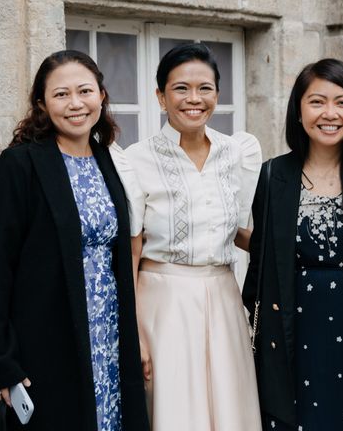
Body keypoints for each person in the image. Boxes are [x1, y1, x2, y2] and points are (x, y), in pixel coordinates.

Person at [0, 50, 149, 430]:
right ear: (41, 103)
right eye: (60, 94)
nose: (75, 104)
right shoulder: (20, 165)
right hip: (49, 338)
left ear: (101, 96)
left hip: (109, 335)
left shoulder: (109, 160)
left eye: (85, 91)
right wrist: (1, 363)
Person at [242, 59, 343, 431]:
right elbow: (262, 263)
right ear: (298, 110)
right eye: (317, 102)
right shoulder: (273, 176)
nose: (329, 113)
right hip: (291, 336)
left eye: (342, 102)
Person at [113, 43, 263, 430]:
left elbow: (242, 234)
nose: (193, 99)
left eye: (205, 88)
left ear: (217, 93)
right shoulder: (136, 160)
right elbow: (132, 250)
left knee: (231, 410)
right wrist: (135, 335)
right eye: (180, 89)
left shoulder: (237, 153)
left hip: (224, 294)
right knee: (177, 412)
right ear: (160, 97)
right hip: (163, 302)